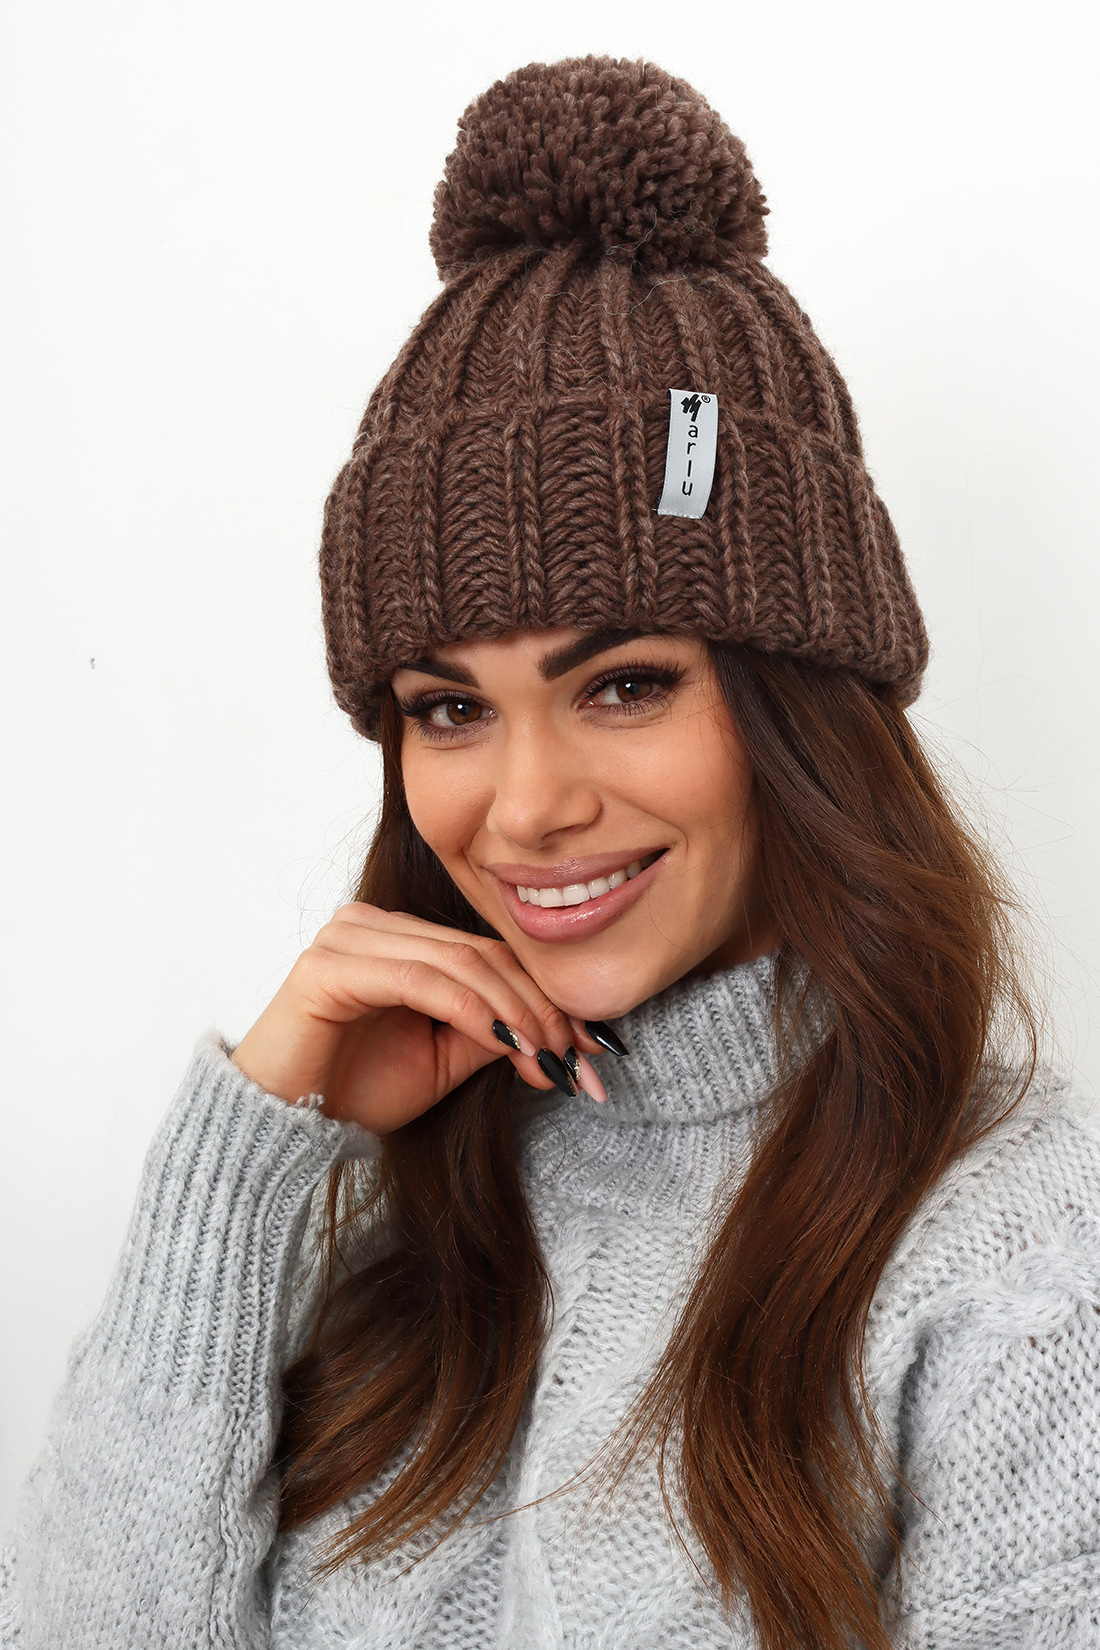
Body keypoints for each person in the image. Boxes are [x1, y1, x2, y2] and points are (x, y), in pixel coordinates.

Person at [3, 53, 1099, 1650]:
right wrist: (238, 1177)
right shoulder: (386, 1203)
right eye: (449, 709)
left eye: (624, 685)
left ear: (799, 705)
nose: (523, 808)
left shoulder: (1019, 1250)